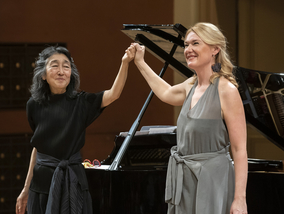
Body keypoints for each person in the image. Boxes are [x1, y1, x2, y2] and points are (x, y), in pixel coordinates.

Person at [133, 22, 248, 214]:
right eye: (186, 45)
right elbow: (166, 92)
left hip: (213, 182)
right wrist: (140, 62)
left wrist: (240, 199)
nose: (188, 50)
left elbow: (239, 149)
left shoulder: (226, 90)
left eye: (195, 43)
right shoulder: (190, 85)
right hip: (185, 180)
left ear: (215, 49)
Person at [15, 44, 136, 214]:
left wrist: (125, 63)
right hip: (41, 185)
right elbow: (38, 147)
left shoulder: (82, 103)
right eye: (54, 65)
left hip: (73, 181)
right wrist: (25, 189)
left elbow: (114, 94)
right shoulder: (33, 105)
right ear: (43, 74)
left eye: (66, 66)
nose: (61, 71)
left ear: (71, 74)